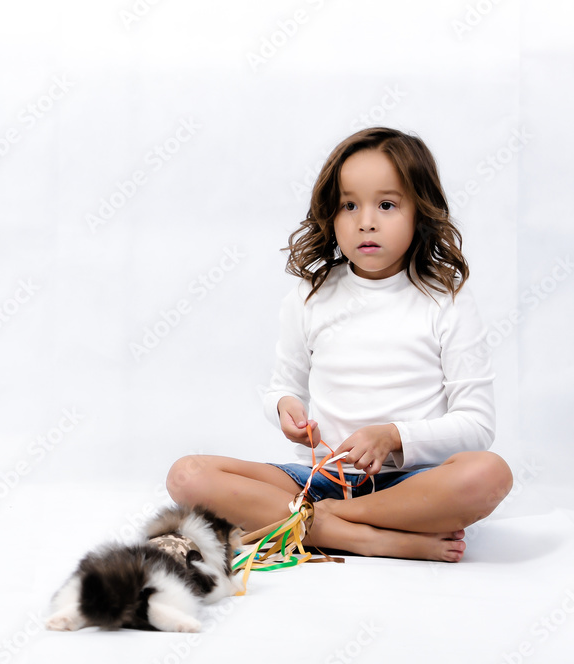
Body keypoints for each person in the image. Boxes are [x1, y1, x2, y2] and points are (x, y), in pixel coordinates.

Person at [167, 127, 512, 562]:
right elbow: (282, 386)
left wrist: (393, 437)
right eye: (349, 205)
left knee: (489, 474)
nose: (366, 220)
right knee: (187, 476)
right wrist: (285, 408)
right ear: (331, 215)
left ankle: (322, 522)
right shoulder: (311, 295)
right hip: (317, 480)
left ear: (420, 213)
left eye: (387, 205)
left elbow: (477, 426)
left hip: (409, 483)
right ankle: (366, 537)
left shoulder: (446, 299)